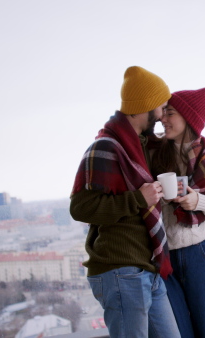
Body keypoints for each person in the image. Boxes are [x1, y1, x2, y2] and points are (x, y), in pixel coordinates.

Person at [70, 66, 181, 338]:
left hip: (148, 269)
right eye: (160, 106)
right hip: (122, 271)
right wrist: (137, 199)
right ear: (145, 105)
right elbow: (80, 208)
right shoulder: (106, 147)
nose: (162, 113)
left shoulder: (139, 147)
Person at [149, 88, 205, 338]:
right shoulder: (153, 151)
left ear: (188, 119)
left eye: (170, 112)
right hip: (162, 257)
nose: (163, 118)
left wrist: (198, 201)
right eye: (163, 112)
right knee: (177, 332)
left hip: (200, 254)